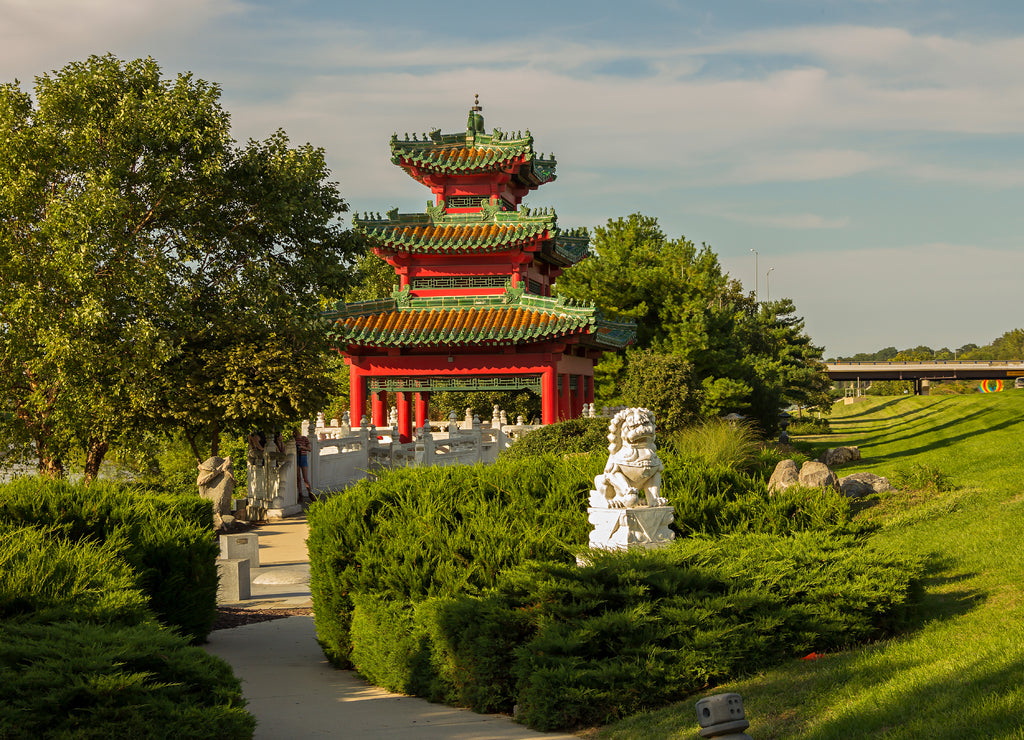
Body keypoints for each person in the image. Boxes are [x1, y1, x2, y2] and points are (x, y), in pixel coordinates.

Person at [294, 427, 313, 502]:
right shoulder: (293, 440)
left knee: (305, 478)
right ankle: (300, 494)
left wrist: (301, 447)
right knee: (298, 478)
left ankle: (310, 493)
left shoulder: (304, 438)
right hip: (297, 457)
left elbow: (309, 449)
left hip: (303, 457)